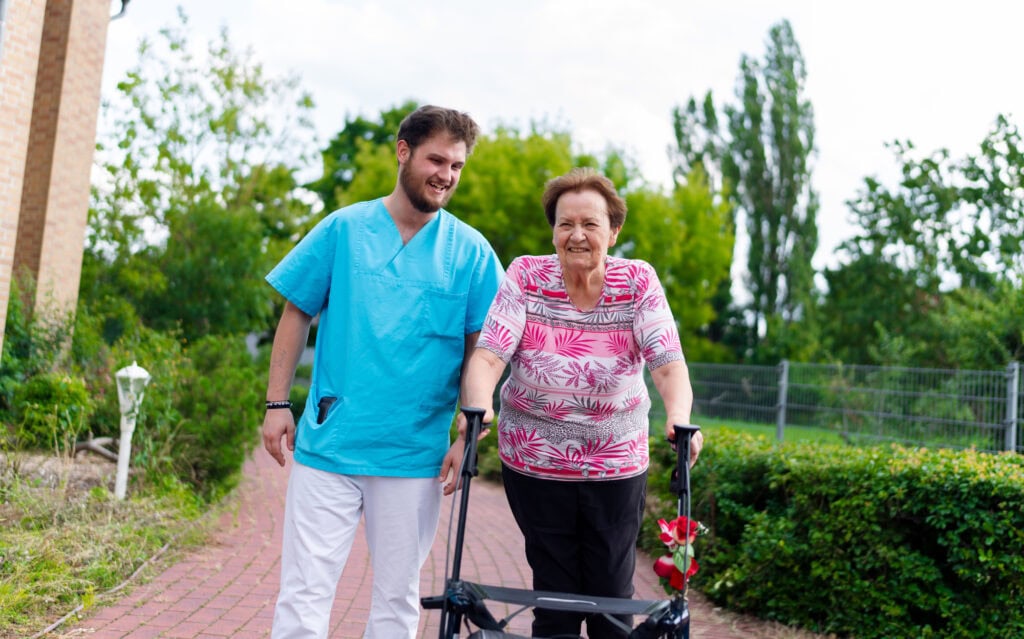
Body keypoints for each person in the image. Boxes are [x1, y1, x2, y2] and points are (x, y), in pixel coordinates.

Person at [261, 105, 503, 639]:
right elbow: (297, 310)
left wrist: (472, 426)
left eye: (457, 166)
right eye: (436, 159)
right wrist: (278, 402)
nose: (446, 175)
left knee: (397, 603)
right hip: (331, 447)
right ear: (403, 152)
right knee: (304, 596)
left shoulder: (471, 253)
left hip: (413, 457)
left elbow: (483, 351)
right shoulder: (345, 229)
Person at [460, 167, 703, 639]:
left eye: (590, 224)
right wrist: (479, 404)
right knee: (555, 593)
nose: (577, 235)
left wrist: (678, 416)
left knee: (611, 592)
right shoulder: (526, 275)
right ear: (552, 230)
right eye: (565, 223)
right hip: (534, 463)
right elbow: (489, 356)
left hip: (615, 466)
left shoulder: (637, 282)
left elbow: (669, 365)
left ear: (613, 231)